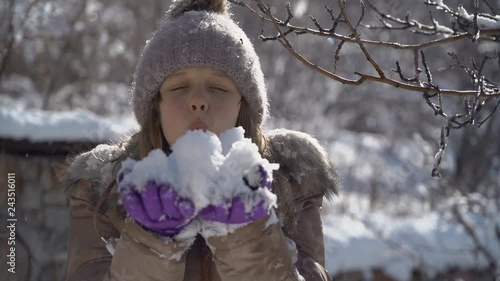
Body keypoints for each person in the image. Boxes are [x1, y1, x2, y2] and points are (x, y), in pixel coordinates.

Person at [61, 0, 339, 280]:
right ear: (155, 106)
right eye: (179, 86)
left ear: (243, 104)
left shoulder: (291, 184)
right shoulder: (102, 192)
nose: (197, 101)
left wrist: (246, 239)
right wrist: (152, 244)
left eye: (218, 87)